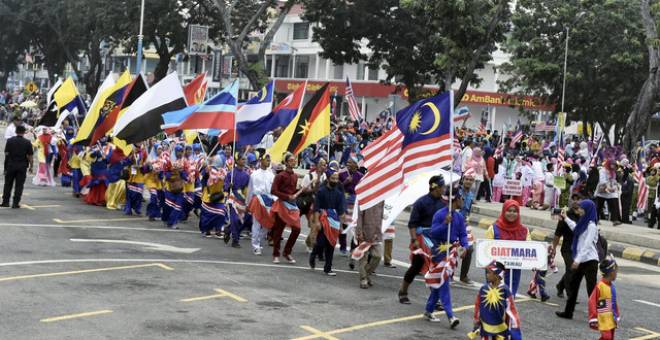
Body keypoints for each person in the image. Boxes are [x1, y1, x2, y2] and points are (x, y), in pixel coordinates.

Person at [422, 188, 468, 328]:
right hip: (439, 253)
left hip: (452, 254)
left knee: (439, 282)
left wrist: (464, 246)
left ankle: (429, 310)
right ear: (455, 199)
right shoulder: (440, 214)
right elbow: (432, 232)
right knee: (444, 284)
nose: (463, 201)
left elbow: (463, 234)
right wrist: (445, 224)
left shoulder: (459, 217)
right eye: (461, 198)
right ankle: (450, 316)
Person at [398, 175, 446, 304]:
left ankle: (435, 300)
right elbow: (412, 223)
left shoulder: (444, 204)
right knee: (416, 266)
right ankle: (403, 292)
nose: (445, 189)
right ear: (435, 187)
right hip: (421, 238)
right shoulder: (421, 202)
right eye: (443, 186)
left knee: (435, 269)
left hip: (436, 241)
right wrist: (414, 240)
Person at [556, 199, 600, 320]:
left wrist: (577, 260)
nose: (578, 210)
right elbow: (575, 229)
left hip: (590, 261)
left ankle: (596, 315)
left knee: (591, 289)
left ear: (587, 210)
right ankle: (568, 312)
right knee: (573, 286)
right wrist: (565, 218)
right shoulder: (583, 223)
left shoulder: (591, 226)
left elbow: (587, 245)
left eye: (581, 208)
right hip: (581, 260)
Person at [486, 200, 530, 296]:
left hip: (514, 270)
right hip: (495, 271)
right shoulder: (493, 229)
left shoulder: (524, 231)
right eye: (509, 210)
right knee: (493, 298)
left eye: (515, 211)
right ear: (503, 211)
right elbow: (486, 250)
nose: (512, 213)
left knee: (510, 297)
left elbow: (530, 249)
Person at [469, 261, 522, 340]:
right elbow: (478, 305)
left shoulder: (505, 290)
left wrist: (515, 329)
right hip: (485, 328)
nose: (487, 275)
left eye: (489, 273)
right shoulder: (483, 289)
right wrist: (477, 321)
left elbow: (511, 311)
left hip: (499, 329)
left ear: (497, 275)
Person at [309, 170, 346, 276]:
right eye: (333, 178)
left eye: (336, 178)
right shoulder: (321, 191)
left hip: (334, 221)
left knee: (331, 244)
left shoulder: (339, 194)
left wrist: (341, 225)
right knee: (321, 242)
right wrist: (316, 222)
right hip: (323, 219)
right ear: (328, 178)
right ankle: (314, 254)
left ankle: (328, 268)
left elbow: (341, 211)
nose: (335, 180)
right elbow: (316, 208)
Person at [270, 153, 302, 264]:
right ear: (287, 162)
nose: (294, 162)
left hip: (291, 205)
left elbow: (293, 191)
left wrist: (297, 193)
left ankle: (287, 252)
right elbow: (273, 190)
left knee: (297, 229)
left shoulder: (295, 176)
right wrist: (287, 196)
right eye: (292, 160)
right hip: (281, 205)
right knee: (279, 230)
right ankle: (276, 254)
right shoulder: (280, 176)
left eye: (295, 160)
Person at [247, 153, 276, 255]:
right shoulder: (254, 174)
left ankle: (259, 241)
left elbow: (273, 190)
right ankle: (255, 245)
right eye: (266, 160)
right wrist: (248, 203)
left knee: (267, 225)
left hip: (268, 201)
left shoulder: (271, 175)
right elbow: (250, 190)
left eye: (269, 160)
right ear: (261, 161)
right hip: (258, 200)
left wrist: (275, 200)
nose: (268, 162)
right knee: (257, 223)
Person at [588, 256, 620, 340]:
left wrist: (617, 313)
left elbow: (614, 301)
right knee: (607, 337)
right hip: (603, 318)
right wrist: (593, 317)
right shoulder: (600, 286)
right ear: (612, 272)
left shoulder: (611, 286)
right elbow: (592, 302)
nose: (617, 273)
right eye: (616, 271)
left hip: (611, 318)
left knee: (609, 337)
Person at [224, 153, 252, 248]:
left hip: (243, 199)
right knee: (235, 219)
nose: (244, 161)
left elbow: (248, 189)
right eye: (242, 159)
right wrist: (229, 186)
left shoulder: (247, 175)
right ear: (237, 160)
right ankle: (235, 241)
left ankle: (228, 229)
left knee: (245, 220)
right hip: (233, 198)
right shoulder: (231, 174)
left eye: (245, 159)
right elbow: (225, 186)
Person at [2, 125, 33, 208]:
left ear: (16, 132)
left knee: (8, 184)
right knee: (19, 185)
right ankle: (15, 203)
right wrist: (31, 166)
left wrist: (5, 167)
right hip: (22, 166)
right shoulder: (27, 142)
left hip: (11, 165)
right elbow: (30, 156)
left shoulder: (10, 141)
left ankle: (5, 202)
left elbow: (6, 154)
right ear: (24, 132)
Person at [354, 201, 384, 288]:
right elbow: (359, 216)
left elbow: (381, 216)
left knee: (377, 256)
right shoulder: (365, 196)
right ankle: (363, 279)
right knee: (363, 258)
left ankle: (366, 274)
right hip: (364, 233)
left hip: (376, 233)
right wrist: (359, 232)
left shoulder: (381, 199)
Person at [458, 174, 476, 284]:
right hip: (454, 222)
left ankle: (463, 276)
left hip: (464, 223)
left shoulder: (470, 194)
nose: (468, 181)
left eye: (471, 180)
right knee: (452, 248)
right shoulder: (456, 191)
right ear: (463, 180)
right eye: (467, 179)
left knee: (469, 249)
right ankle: (448, 273)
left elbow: (468, 210)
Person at [595, 160, 622, 226]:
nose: (614, 167)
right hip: (603, 190)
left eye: (615, 166)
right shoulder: (603, 170)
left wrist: (615, 184)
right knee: (599, 206)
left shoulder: (613, 172)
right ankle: (595, 219)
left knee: (614, 204)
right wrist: (607, 186)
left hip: (611, 191)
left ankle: (615, 219)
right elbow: (602, 180)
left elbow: (613, 179)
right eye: (613, 165)